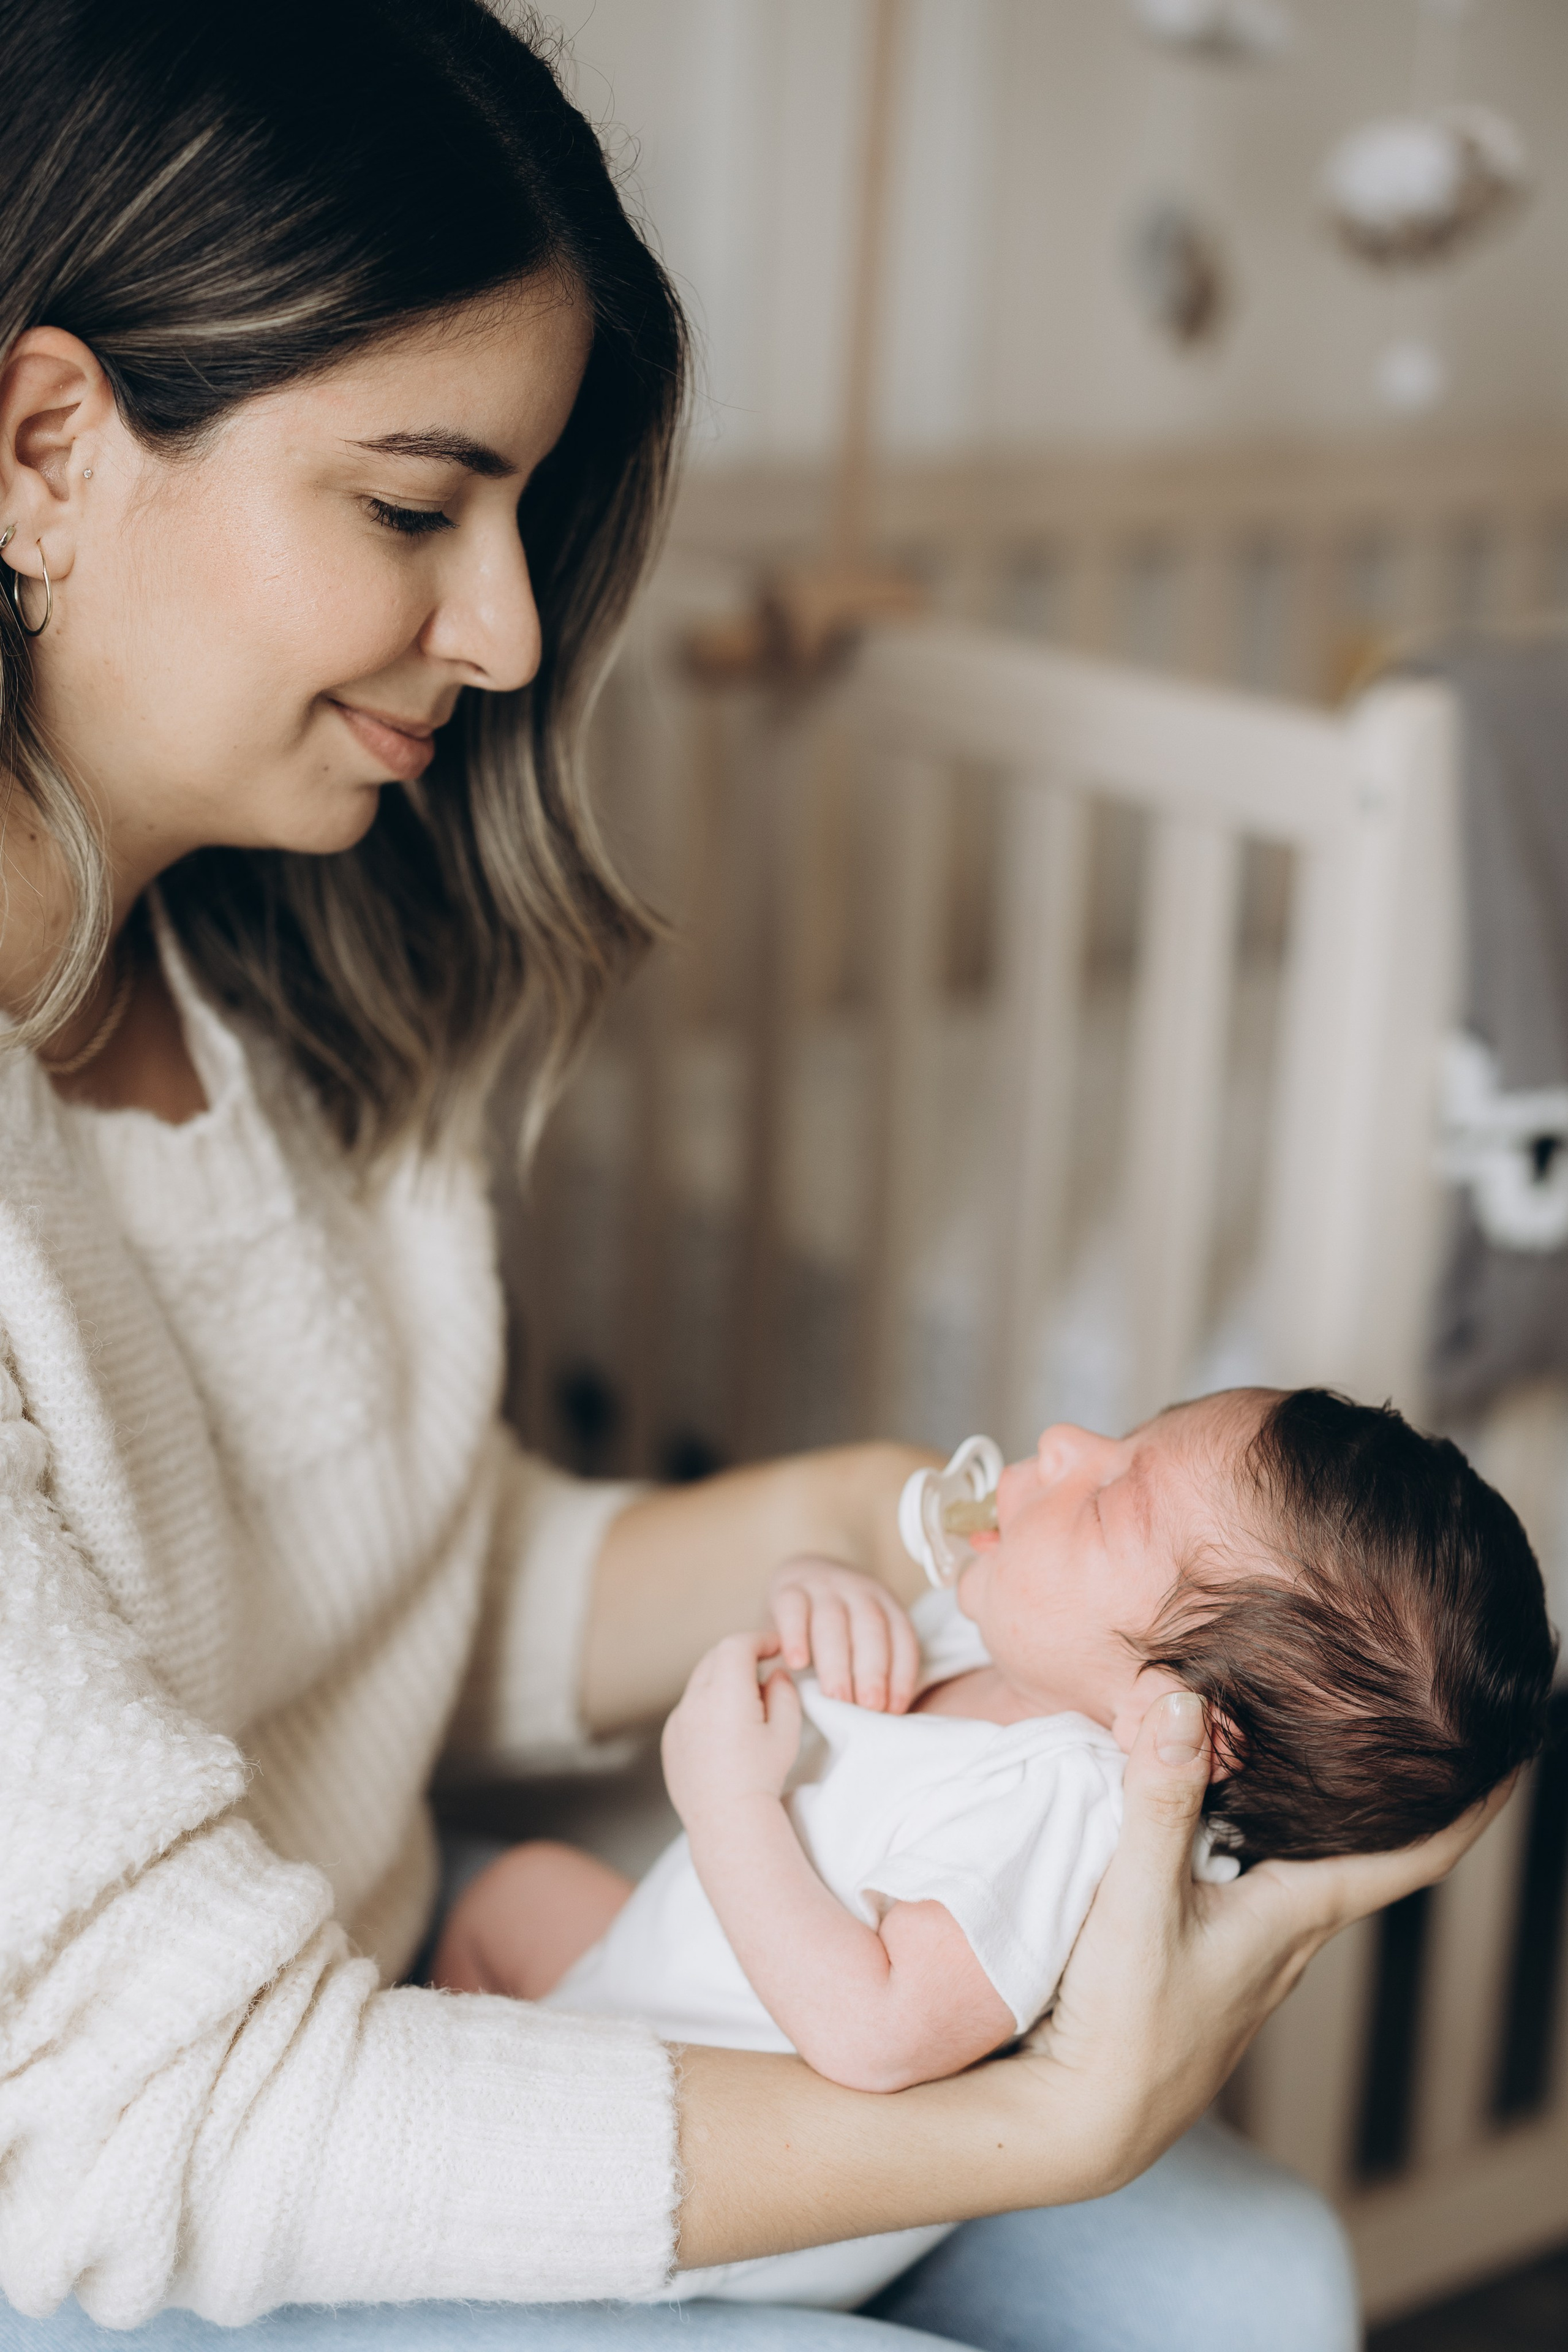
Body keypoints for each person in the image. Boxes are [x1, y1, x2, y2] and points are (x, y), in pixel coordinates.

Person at [0, 4, 1502, 2347]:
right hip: (150, 2172)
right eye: (415, 507)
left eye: (520, 521)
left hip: (365, 1948)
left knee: (1266, 2277)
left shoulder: (244, 985)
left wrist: (893, 1526)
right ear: (46, 447)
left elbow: (374, 1574)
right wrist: (1029, 2125)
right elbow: (167, 2124)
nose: (502, 636)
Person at [432, 1387, 1553, 2306]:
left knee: (491, 1993)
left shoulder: (1060, 1809)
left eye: (1114, 1498)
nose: (1069, 1441)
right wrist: (817, 1594)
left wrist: (727, 1804)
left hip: (730, 2185)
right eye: (1128, 1432)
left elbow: (875, 2034)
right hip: (659, 1986)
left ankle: (479, 2257)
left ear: (1182, 1720)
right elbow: (844, 1681)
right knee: (518, 1899)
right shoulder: (999, 1629)